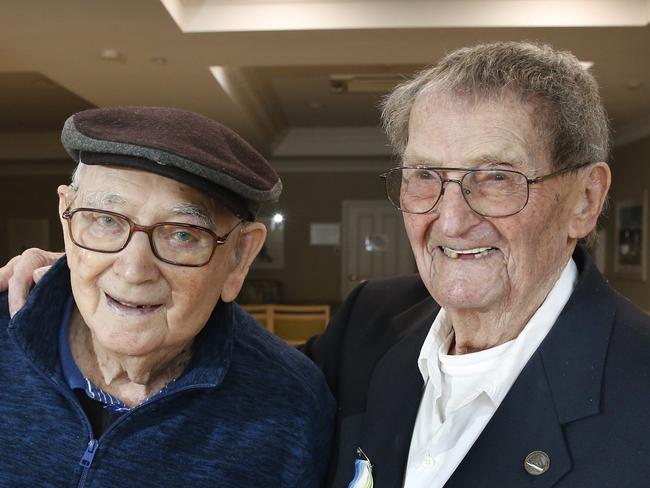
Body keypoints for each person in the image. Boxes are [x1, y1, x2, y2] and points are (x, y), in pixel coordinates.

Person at [4, 42, 650, 488]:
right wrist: (95, 265)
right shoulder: (372, 323)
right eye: (426, 175)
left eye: (497, 179)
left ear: (585, 200)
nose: (452, 219)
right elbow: (227, 374)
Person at [0, 106, 334, 487]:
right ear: (67, 218)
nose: (133, 269)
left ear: (239, 257)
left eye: (181, 234)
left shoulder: (290, 403)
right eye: (106, 220)